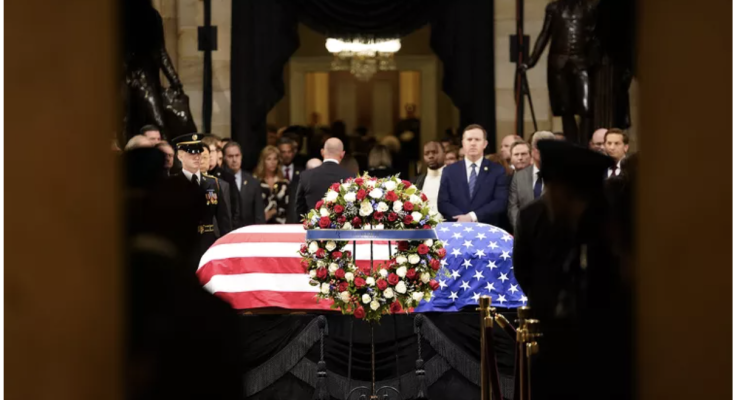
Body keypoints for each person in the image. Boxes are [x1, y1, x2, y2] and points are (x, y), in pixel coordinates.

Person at [513, 139, 628, 400]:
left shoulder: (606, 236)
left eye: (551, 186)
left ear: (565, 190)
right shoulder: (546, 219)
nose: (547, 195)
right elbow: (525, 271)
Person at [170, 133, 231, 259]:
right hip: (183, 245)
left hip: (208, 244)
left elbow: (223, 220)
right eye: (191, 153)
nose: (196, 157)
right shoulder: (172, 184)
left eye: (198, 152)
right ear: (180, 156)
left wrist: (226, 248)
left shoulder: (213, 183)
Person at [438, 124, 510, 225]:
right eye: (469, 139)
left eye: (477, 139)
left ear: (485, 144)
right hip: (457, 229)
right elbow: (443, 203)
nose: (473, 143)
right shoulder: (449, 171)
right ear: (463, 143)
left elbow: (500, 201)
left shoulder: (497, 170)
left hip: (486, 229)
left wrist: (472, 216)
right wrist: (462, 218)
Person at [507, 131, 557, 230]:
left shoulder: (562, 176)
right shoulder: (519, 176)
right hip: (524, 233)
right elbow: (513, 207)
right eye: (539, 148)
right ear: (533, 150)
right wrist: (522, 228)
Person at [296, 138, 353, 218]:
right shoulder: (350, 178)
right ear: (342, 154)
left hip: (312, 228)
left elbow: (299, 208)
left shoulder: (306, 176)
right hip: (341, 228)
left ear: (322, 152)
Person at [222, 141, 265, 227]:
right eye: (230, 156)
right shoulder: (219, 180)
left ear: (241, 156)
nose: (234, 160)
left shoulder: (253, 182)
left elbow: (259, 215)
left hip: (248, 233)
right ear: (224, 158)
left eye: (237, 155)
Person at [200, 145, 234, 236]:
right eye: (200, 157)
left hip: (214, 235)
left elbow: (225, 217)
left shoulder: (218, 183)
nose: (202, 161)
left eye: (205, 157)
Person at [253, 146, 289, 224]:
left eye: (275, 159)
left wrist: (272, 212)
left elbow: (287, 205)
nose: (272, 162)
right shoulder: (256, 182)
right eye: (269, 159)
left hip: (281, 225)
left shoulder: (284, 183)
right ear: (263, 161)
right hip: (260, 224)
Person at [414, 142, 445, 216]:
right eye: (426, 153)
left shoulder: (454, 178)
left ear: (444, 154)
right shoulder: (417, 182)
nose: (430, 156)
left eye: (434, 152)